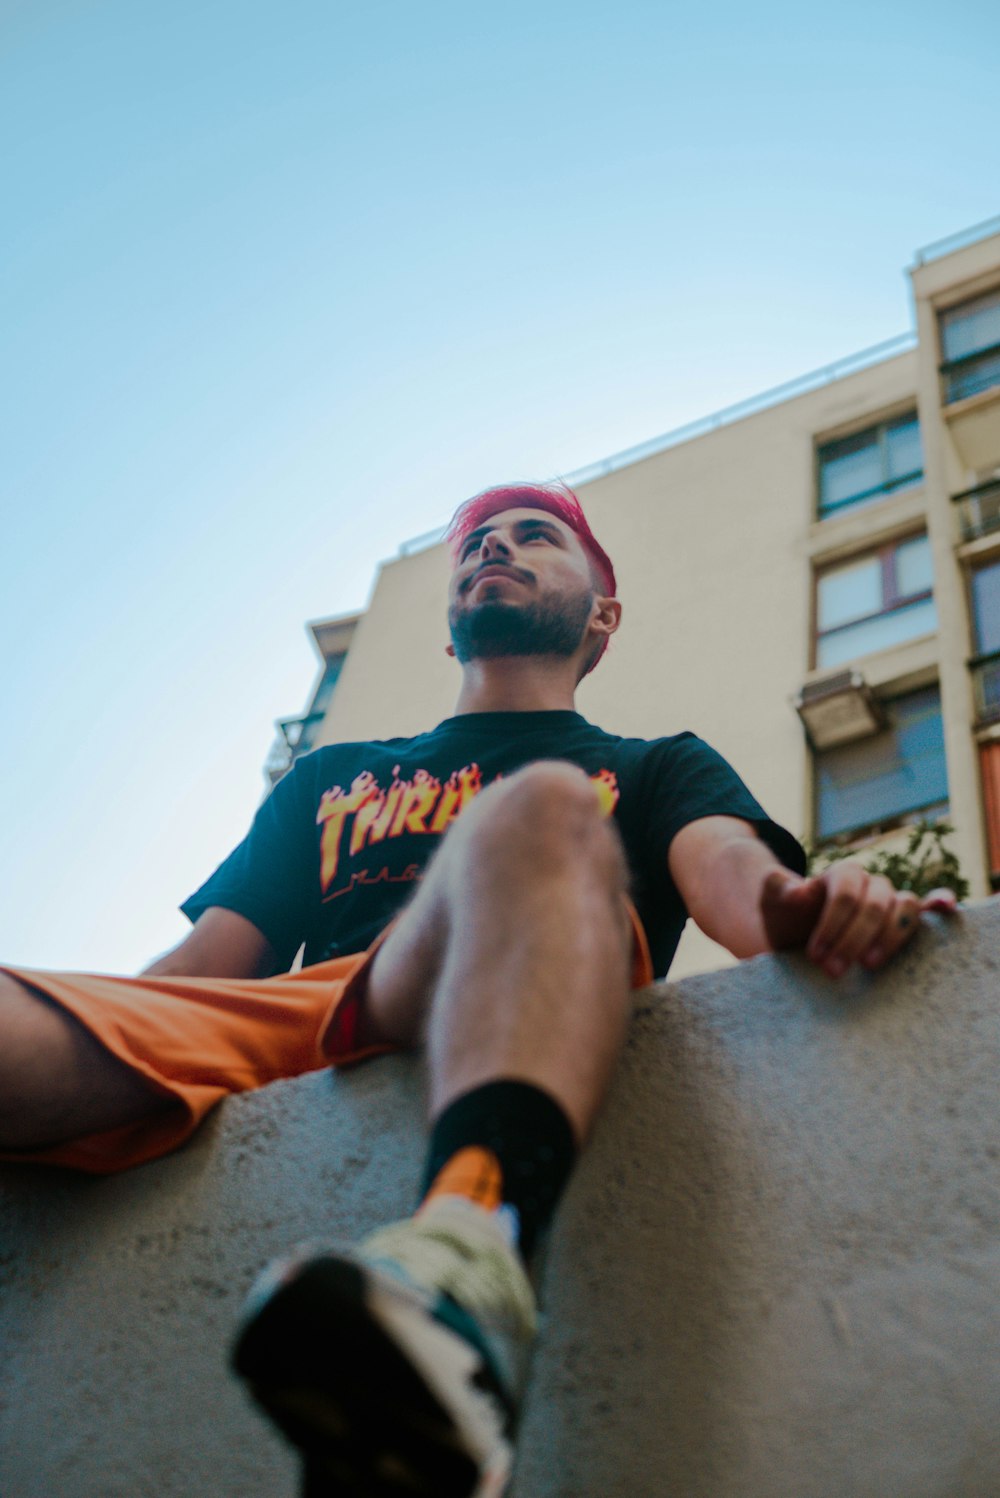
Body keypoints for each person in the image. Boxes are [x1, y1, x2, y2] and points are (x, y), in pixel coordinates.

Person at [0, 484, 958, 1497]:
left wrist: (797, 906)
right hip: (316, 1008)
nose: (494, 547)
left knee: (543, 801)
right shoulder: (335, 776)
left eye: (534, 536)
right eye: (479, 542)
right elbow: (191, 984)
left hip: (524, 974)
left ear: (601, 616)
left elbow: (732, 877)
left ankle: (464, 1273)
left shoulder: (650, 766)